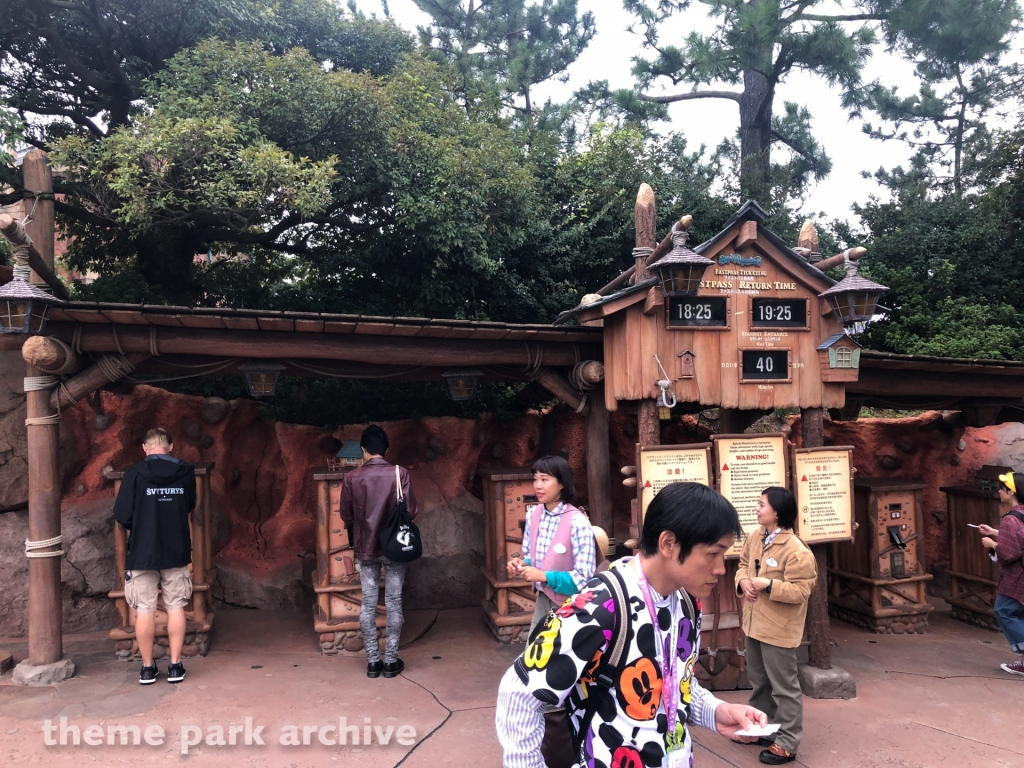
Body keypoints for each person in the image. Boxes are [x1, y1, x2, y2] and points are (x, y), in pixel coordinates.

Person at [496, 482, 768, 768]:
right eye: (713, 554)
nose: (721, 569)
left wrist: (717, 711)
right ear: (668, 543)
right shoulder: (600, 606)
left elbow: (674, 681)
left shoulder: (687, 601)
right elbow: (519, 693)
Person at [735, 487, 817, 765]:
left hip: (779, 629)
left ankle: (787, 742)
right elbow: (744, 564)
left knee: (784, 687)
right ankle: (761, 729)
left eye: (761, 505)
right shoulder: (754, 537)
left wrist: (768, 584)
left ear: (777, 512)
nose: (757, 509)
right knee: (759, 683)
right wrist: (743, 582)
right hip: (754, 624)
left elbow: (801, 591)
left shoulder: (797, 550)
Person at [112, 428, 196, 686]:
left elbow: (122, 515)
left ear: (145, 448)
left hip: (143, 551)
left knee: (144, 610)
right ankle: (175, 666)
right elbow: (190, 505)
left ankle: (147, 668)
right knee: (176, 607)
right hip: (176, 549)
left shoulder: (135, 474)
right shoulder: (185, 472)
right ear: (170, 446)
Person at [340, 425, 418, 679]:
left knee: (368, 603)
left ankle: (373, 661)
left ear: (363, 450)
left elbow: (346, 515)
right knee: (394, 601)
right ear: (386, 449)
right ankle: (391, 661)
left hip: (365, 547)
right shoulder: (400, 473)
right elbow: (412, 511)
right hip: (395, 546)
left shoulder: (351, 478)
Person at [507, 455, 595, 633]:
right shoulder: (533, 514)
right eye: (535, 479)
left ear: (562, 484)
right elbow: (536, 557)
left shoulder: (577, 522)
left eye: (544, 479)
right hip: (542, 602)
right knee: (533, 656)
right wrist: (524, 564)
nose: (537, 485)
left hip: (572, 608)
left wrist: (544, 576)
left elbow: (584, 579)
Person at [979, 471, 1024, 677]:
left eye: (1002, 488)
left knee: (1003, 610)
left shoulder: (1010, 520)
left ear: (1011, 491)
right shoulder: (1020, 515)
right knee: (1020, 616)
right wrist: (995, 532)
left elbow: (1008, 553)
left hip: (1016, 579)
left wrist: (992, 544)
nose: (999, 491)